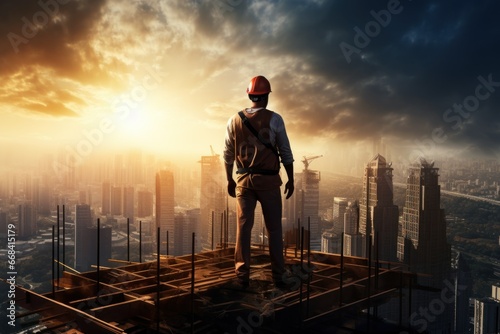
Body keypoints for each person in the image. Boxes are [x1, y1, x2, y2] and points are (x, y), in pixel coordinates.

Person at [223, 75, 294, 288]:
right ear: (266, 97)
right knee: (274, 229)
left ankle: (241, 275)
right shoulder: (275, 119)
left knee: (243, 228)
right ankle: (278, 276)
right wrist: (291, 178)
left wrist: (229, 179)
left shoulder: (233, 120)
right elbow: (285, 153)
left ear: (250, 95)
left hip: (243, 181)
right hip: (269, 182)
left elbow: (227, 154)